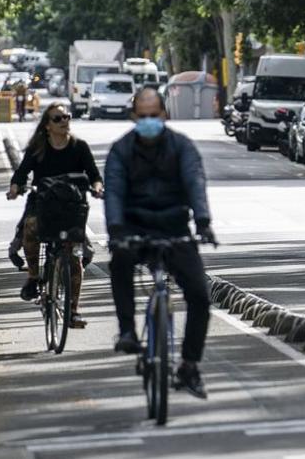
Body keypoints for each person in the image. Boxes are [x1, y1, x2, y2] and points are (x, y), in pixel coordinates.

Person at [105, 87, 216, 399]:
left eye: (154, 116)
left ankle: (189, 366)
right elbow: (113, 190)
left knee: (198, 295)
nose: (149, 121)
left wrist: (203, 221)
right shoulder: (121, 150)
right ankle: (127, 330)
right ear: (133, 117)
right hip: (134, 226)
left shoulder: (182, 147)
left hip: (174, 227)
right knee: (121, 262)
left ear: (165, 115)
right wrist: (116, 229)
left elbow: (195, 182)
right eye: (142, 117)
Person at [5, 102, 103, 327]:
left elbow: (95, 175)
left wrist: (97, 187)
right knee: (30, 227)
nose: (64, 122)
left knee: (75, 258)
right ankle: (32, 276)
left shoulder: (80, 147)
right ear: (48, 125)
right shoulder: (38, 148)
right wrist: (15, 188)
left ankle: (73, 311)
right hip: (42, 204)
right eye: (58, 119)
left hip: (71, 207)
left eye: (66, 117)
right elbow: (21, 174)